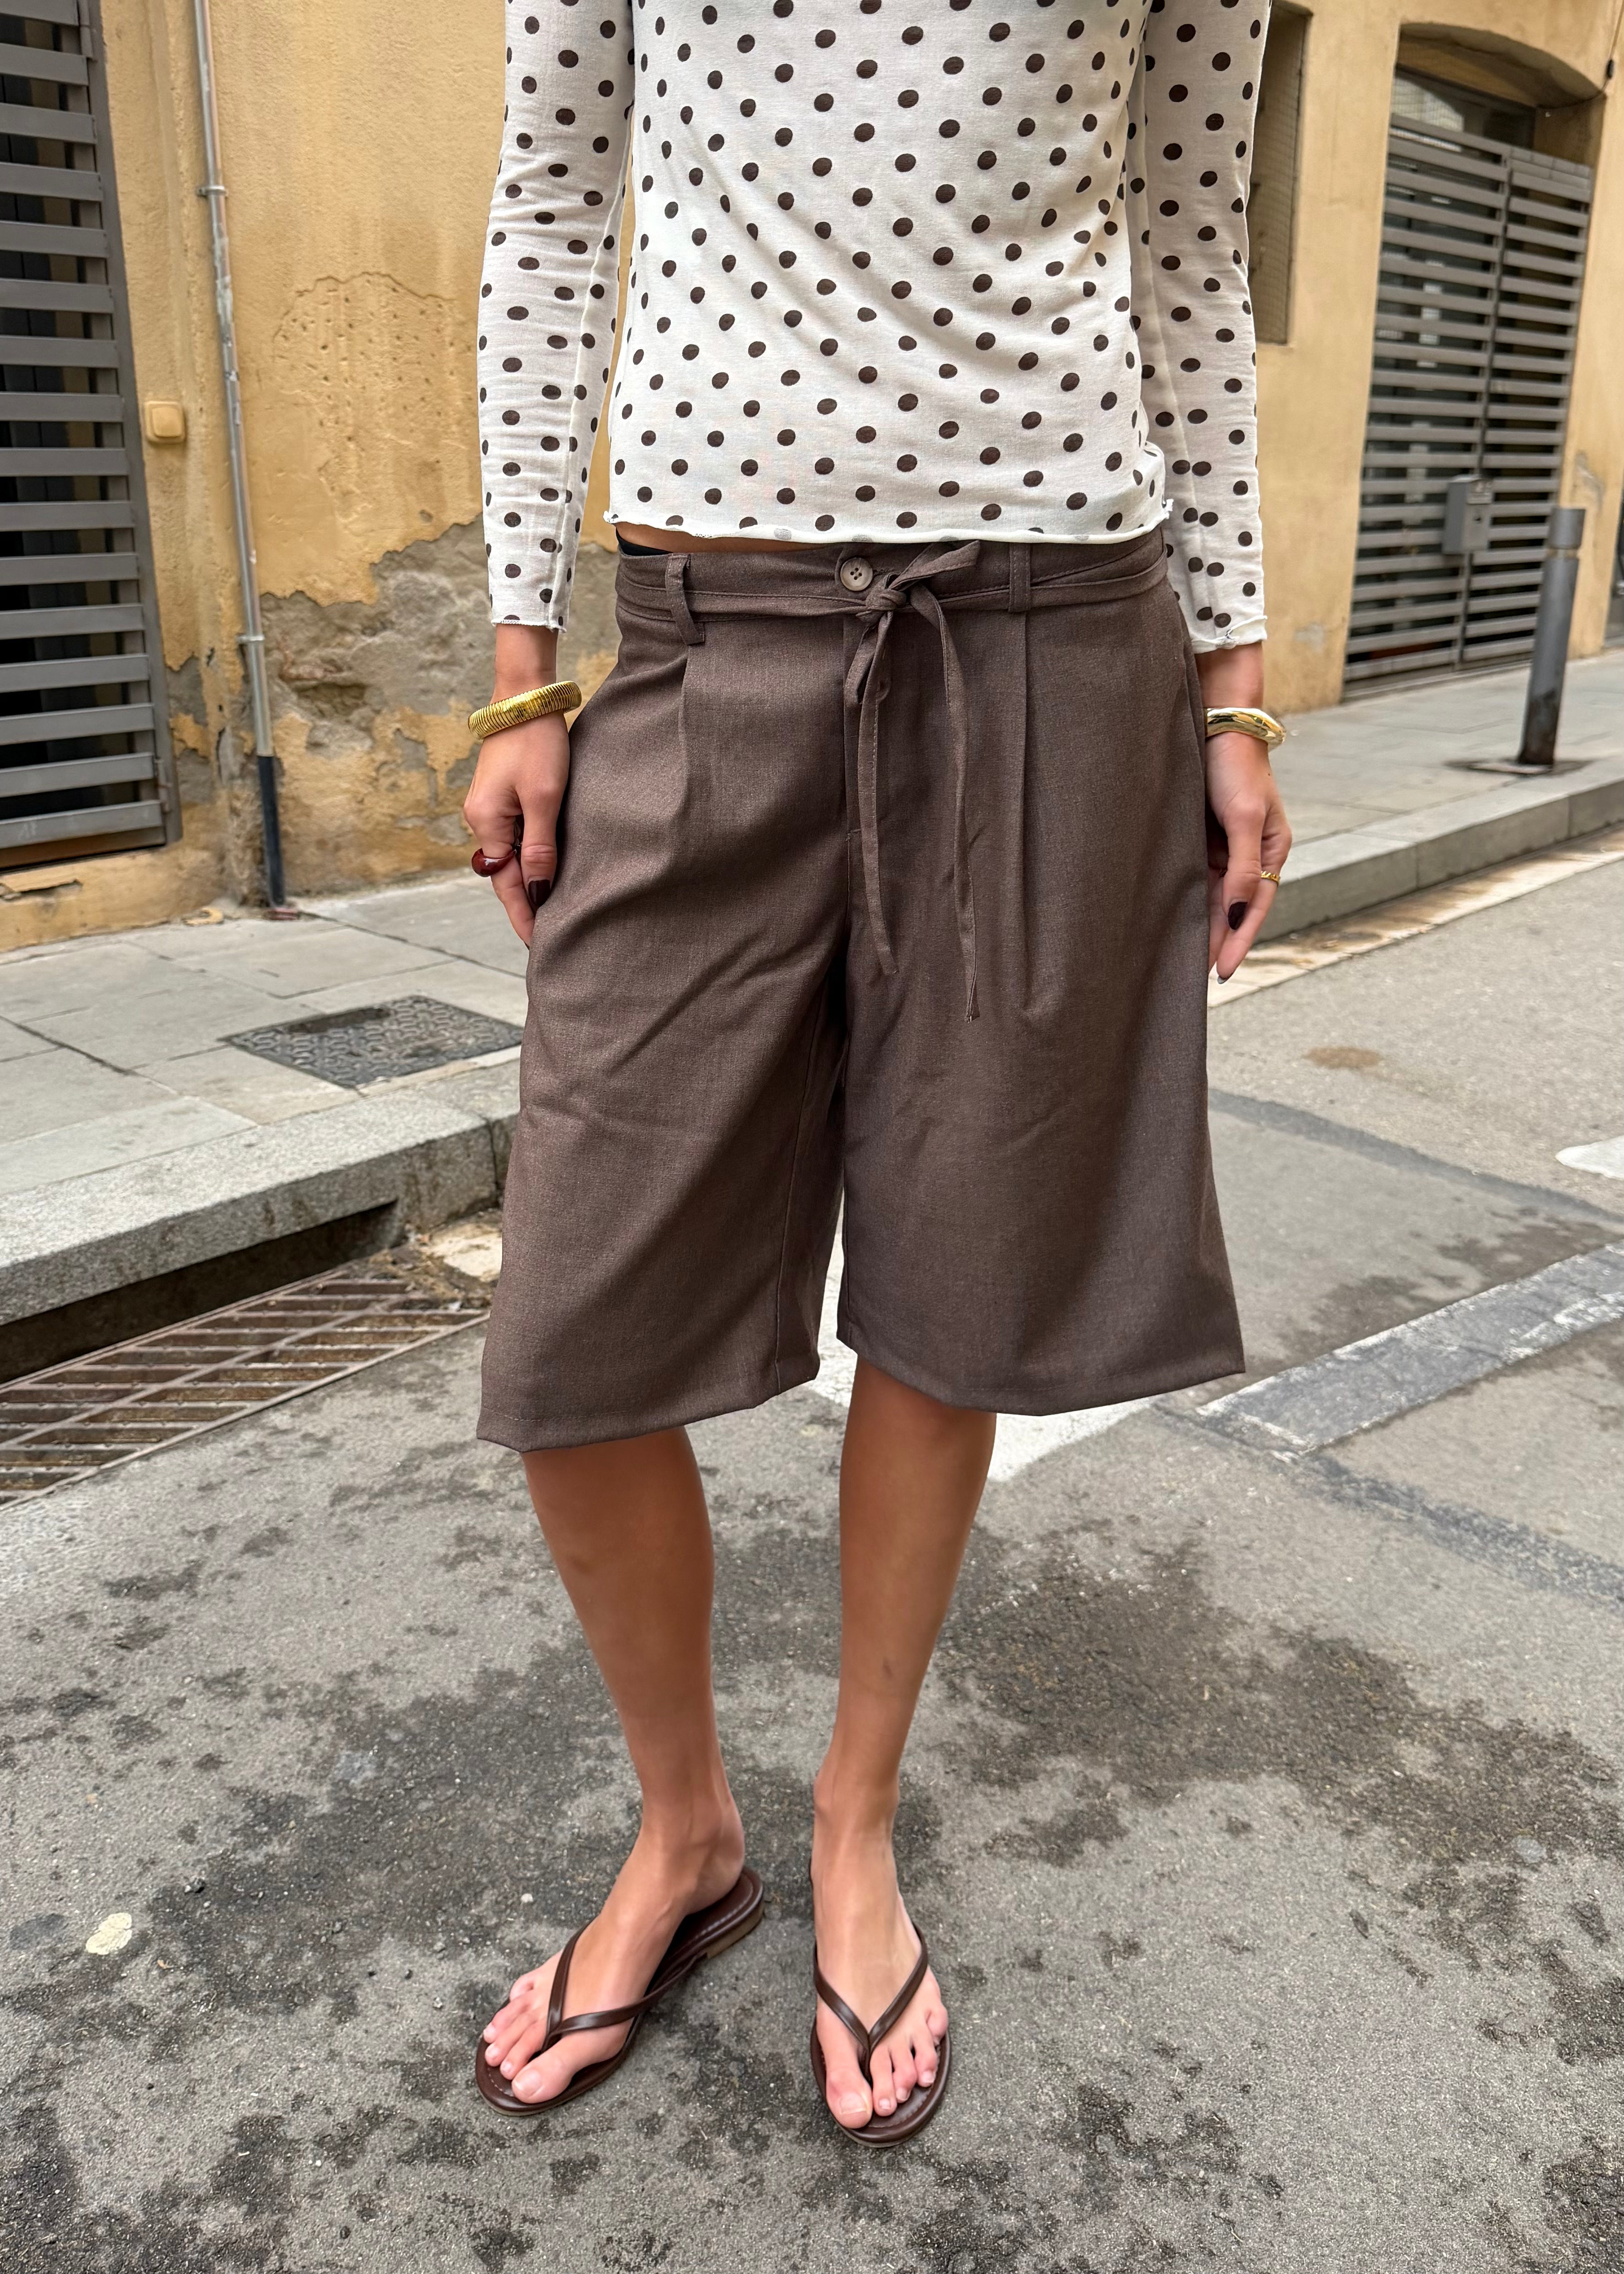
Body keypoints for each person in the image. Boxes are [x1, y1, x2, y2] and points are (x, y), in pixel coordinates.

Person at [463, 0, 1290, 2146]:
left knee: (959, 1261)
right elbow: (552, 205)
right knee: (575, 1304)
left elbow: (1188, 243)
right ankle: (685, 1828)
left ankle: (849, 1819)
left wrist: (1233, 683)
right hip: (701, 638)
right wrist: (519, 671)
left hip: (1053, 633)